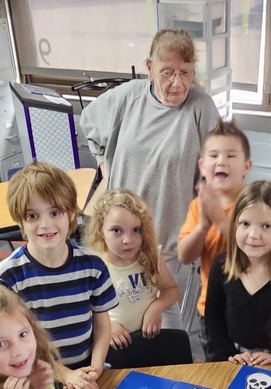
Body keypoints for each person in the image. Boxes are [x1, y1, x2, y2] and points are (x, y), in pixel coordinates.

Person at [80, 28, 220, 301]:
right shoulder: (128, 97)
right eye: (167, 72)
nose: (177, 83)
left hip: (167, 240)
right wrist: (103, 165)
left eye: (185, 73)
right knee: (116, 309)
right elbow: (89, 121)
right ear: (150, 68)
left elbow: (219, 166)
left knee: (163, 310)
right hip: (118, 235)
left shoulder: (201, 108)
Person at [0, 162, 117, 389]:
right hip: (37, 378)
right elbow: (14, 345)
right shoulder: (9, 275)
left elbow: (102, 323)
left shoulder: (93, 265)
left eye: (55, 212)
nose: (45, 224)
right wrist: (65, 375)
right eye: (33, 215)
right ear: (20, 221)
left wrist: (96, 367)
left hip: (88, 370)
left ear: (71, 213)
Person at [204, 180, 271, 366]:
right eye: (245, 224)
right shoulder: (221, 266)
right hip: (233, 360)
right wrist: (229, 355)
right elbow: (213, 320)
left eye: (266, 226)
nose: (253, 235)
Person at [84, 188, 190, 368]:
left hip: (148, 344)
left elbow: (171, 290)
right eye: (117, 231)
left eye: (136, 230)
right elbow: (82, 309)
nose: (128, 240)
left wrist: (156, 308)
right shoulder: (94, 265)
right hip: (114, 349)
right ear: (101, 230)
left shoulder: (151, 257)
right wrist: (107, 325)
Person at [178, 118, 252, 350]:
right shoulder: (198, 206)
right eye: (213, 155)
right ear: (202, 166)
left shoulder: (256, 202)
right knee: (218, 366)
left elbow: (252, 250)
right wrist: (202, 225)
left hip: (252, 308)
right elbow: (185, 256)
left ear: (246, 166)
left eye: (230, 155)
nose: (221, 161)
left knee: (253, 368)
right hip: (212, 308)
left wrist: (219, 218)